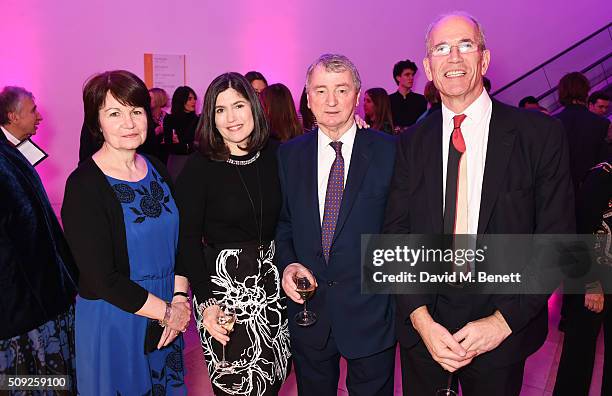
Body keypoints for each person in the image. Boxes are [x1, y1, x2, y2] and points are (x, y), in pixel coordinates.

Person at [383, 13, 574, 395]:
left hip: (502, 329)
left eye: (465, 45)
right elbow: (395, 237)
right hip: (426, 332)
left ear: (484, 60)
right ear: (428, 68)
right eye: (441, 49)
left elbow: (557, 242)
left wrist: (500, 324)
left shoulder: (539, 135)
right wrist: (422, 322)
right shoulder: (410, 145)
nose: (453, 57)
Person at [61, 70, 190, 395]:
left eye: (136, 111)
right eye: (114, 113)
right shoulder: (84, 185)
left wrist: (179, 299)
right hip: (117, 318)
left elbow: (182, 241)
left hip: (166, 317)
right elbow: (101, 277)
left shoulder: (157, 168)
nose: (129, 123)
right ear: (97, 123)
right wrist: (169, 313)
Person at [276, 54, 397, 395]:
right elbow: (283, 223)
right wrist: (288, 265)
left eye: (341, 90)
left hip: (371, 313)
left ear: (357, 95)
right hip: (308, 313)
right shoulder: (288, 155)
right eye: (321, 90)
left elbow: (402, 229)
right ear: (308, 96)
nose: (331, 101)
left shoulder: (390, 152)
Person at [175, 72, 291, 395]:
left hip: (273, 289)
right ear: (210, 117)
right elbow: (186, 239)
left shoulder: (277, 155)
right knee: (237, 384)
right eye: (220, 109)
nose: (231, 118)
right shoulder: (200, 168)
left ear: (254, 106)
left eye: (238, 105)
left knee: (275, 378)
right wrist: (205, 301)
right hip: (224, 295)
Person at [0, 86, 78, 392]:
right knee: (31, 380)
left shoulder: (12, 153)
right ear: (12, 115)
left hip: (39, 298)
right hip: (22, 310)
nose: (40, 116)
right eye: (33, 110)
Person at [553, 159, 612, 396]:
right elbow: (578, 234)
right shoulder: (601, 177)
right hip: (594, 279)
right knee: (577, 357)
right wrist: (591, 283)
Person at [555, 72, 609, 194]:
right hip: (596, 189)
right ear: (585, 91)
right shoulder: (600, 122)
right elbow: (604, 161)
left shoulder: (553, 123)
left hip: (566, 192)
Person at [163, 85, 199, 179]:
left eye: (194, 98)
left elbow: (200, 144)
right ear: (181, 100)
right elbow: (170, 145)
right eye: (189, 98)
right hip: (177, 162)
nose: (194, 101)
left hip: (195, 161)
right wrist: (187, 145)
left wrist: (185, 145)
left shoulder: (198, 120)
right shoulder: (170, 119)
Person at [389, 59, 427, 130]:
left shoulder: (421, 100)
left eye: (412, 75)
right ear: (398, 78)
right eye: (407, 75)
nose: (411, 78)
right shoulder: (388, 100)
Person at [150, 87, 170, 164]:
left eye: (150, 98)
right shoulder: (145, 118)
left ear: (158, 99)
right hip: (151, 156)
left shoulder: (168, 117)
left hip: (165, 158)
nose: (147, 100)